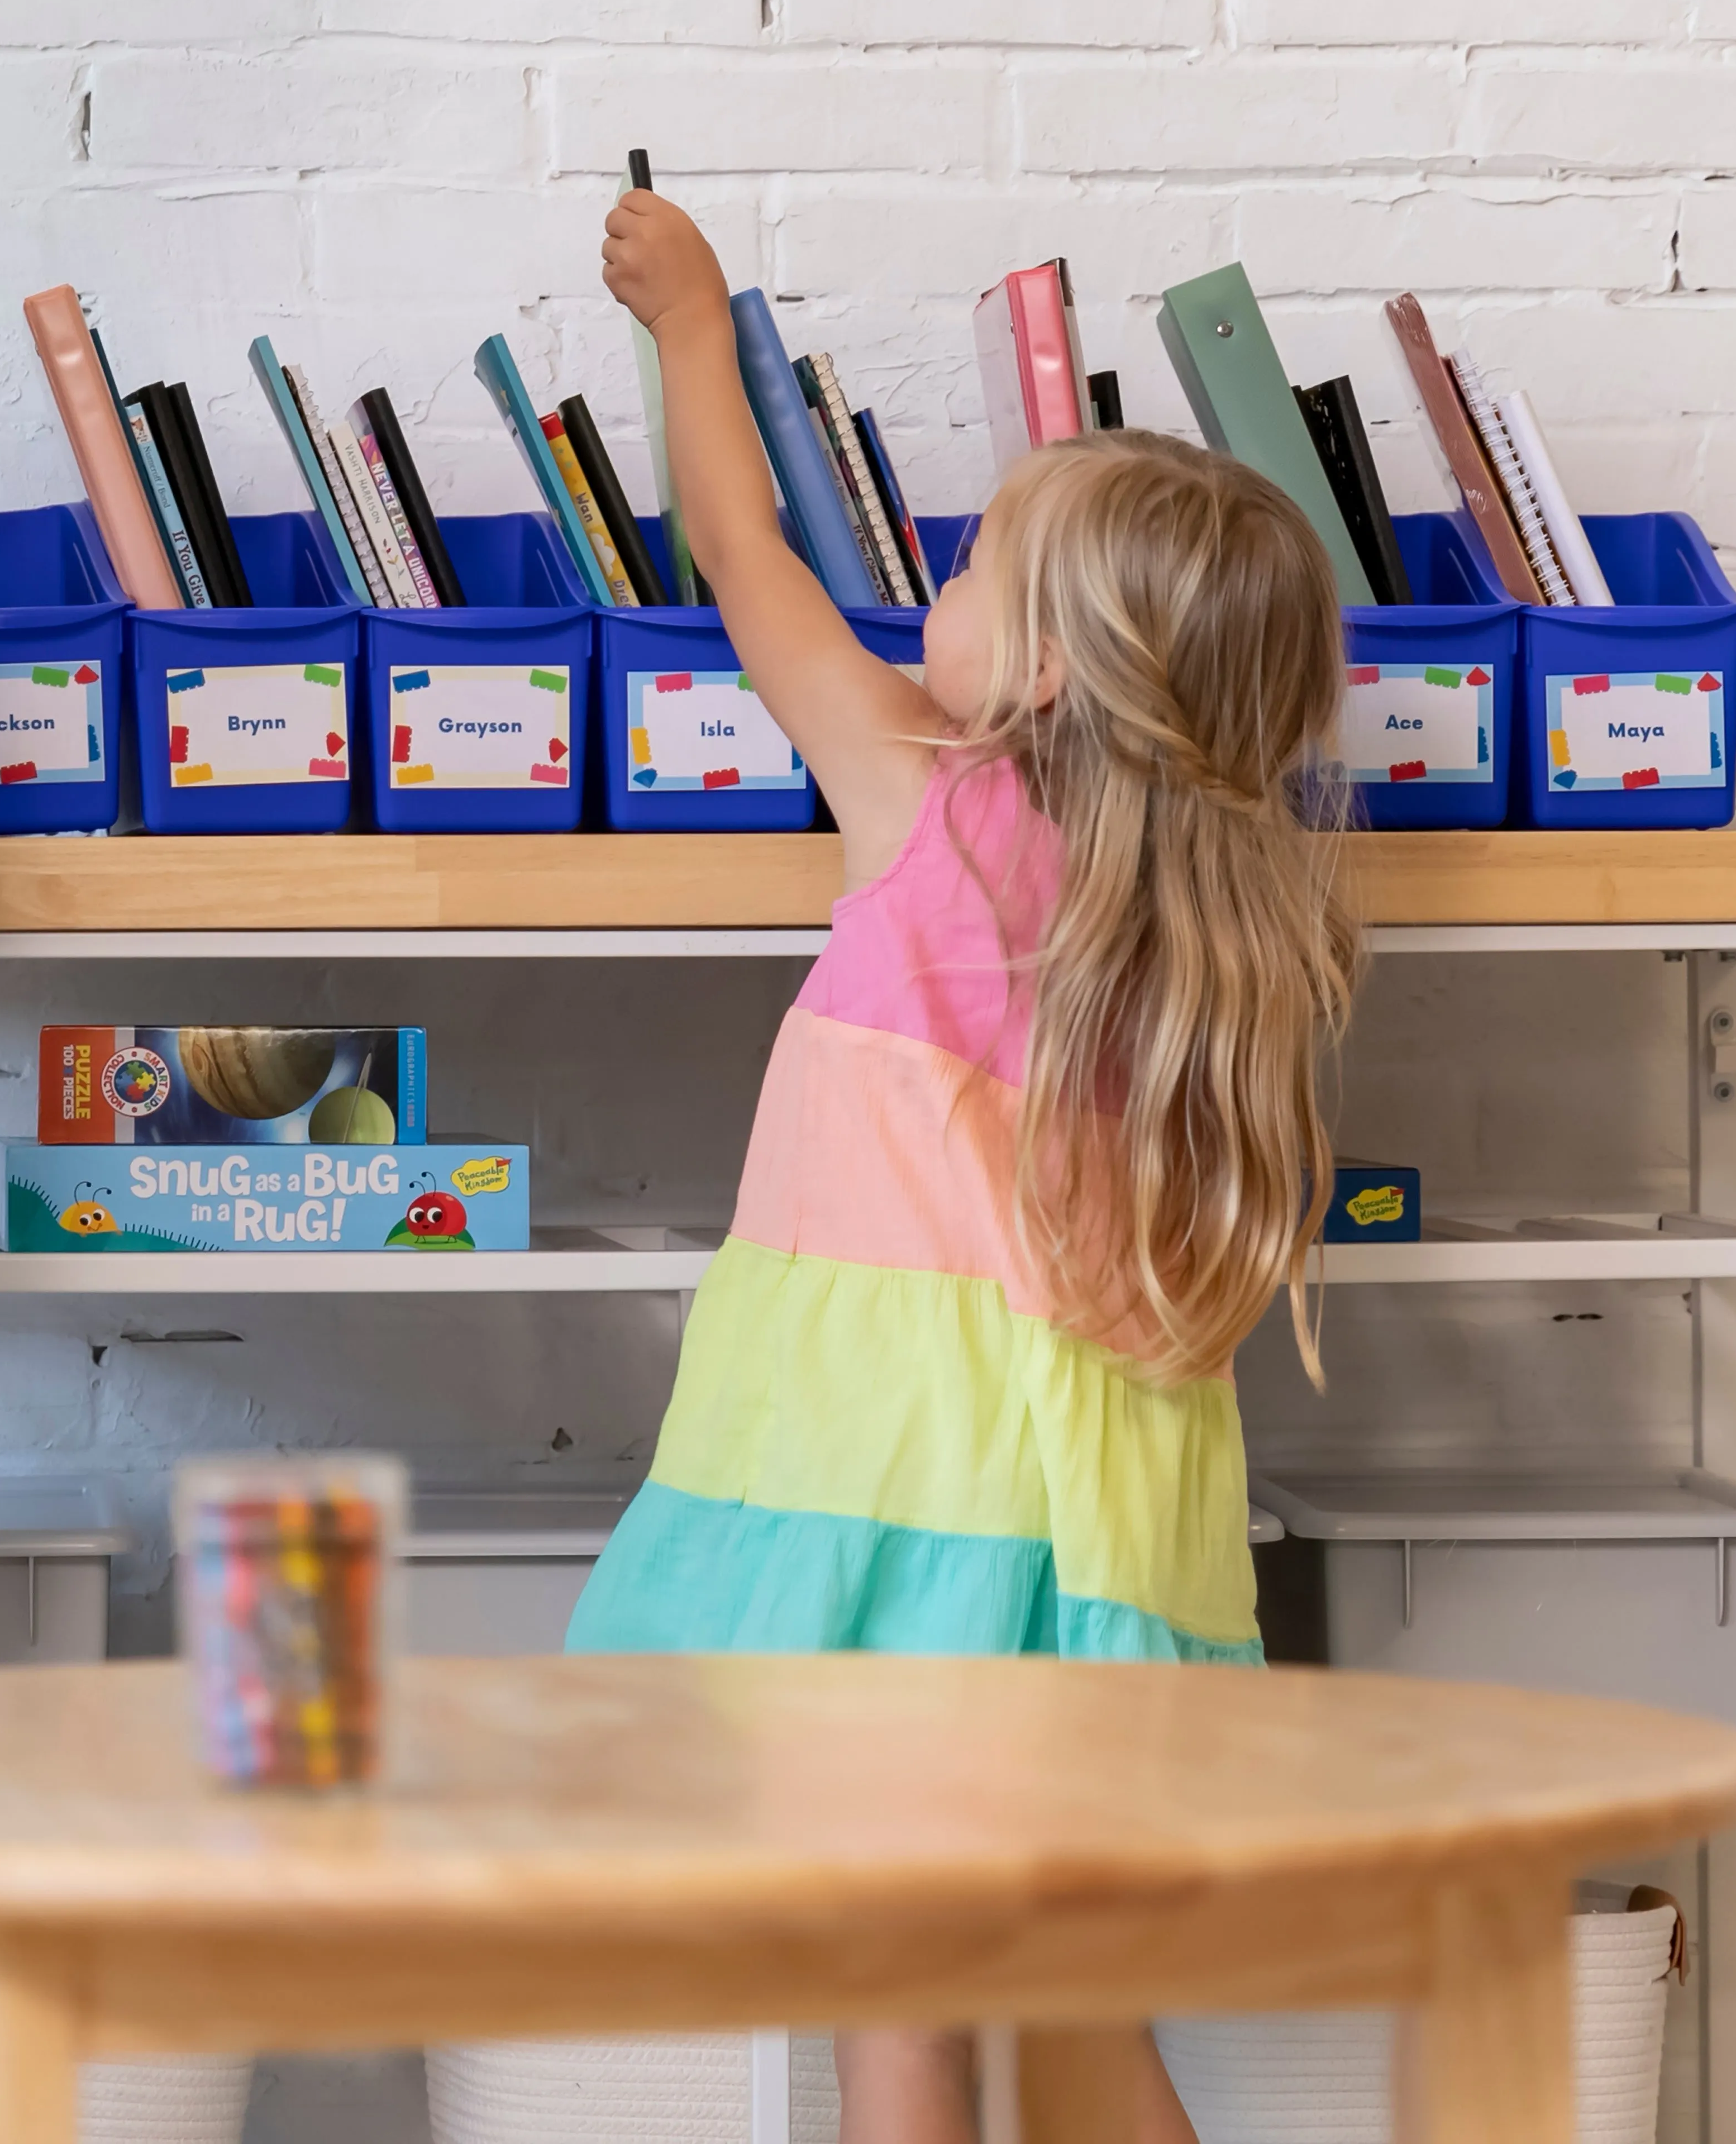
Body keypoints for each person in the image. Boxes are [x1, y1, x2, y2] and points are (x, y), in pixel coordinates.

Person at [570, 189, 1358, 2144]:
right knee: (1074, 2012)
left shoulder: (920, 792)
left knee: (899, 2009)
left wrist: (684, 329)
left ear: (1061, 668)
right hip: (1093, 1540)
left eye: (981, 561)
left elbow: (746, 563)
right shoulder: (1234, 915)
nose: (941, 569)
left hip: (881, 1492)